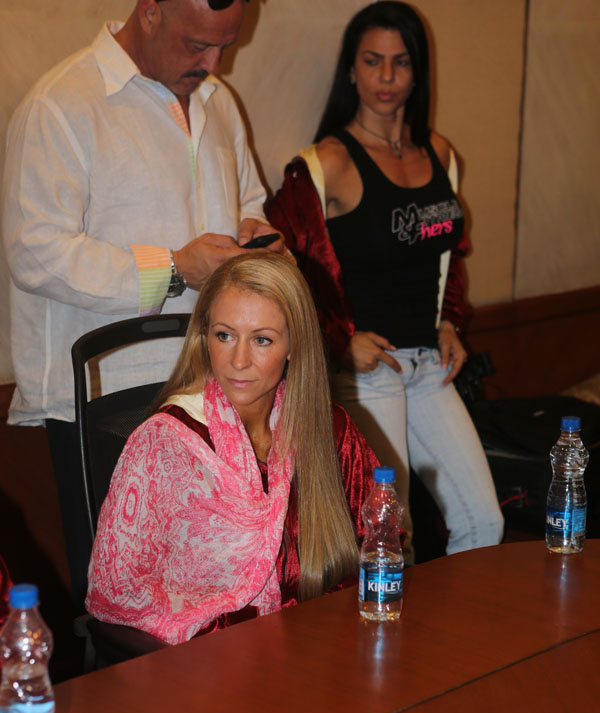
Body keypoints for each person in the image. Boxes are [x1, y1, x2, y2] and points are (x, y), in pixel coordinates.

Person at [2, 0, 283, 606]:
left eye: (225, 46)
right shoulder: (62, 105)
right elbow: (34, 252)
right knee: (127, 602)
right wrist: (174, 269)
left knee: (211, 592)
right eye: (197, 45)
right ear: (150, 12)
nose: (213, 64)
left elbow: (249, 201)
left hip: (211, 383)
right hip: (106, 393)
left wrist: (256, 234)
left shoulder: (218, 101)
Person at [267, 1, 503, 561]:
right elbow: (279, 269)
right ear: (351, 70)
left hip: (429, 367)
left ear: (418, 72)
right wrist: (337, 341)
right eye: (372, 61)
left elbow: (448, 253)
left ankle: (462, 624)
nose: (387, 77)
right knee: (389, 538)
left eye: (401, 62)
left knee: (483, 521)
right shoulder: (325, 164)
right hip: (367, 374)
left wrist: (451, 321)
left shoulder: (439, 153)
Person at [86, 253, 379, 643]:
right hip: (213, 661)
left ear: (294, 345)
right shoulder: (166, 445)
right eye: (224, 335)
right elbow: (118, 590)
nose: (239, 361)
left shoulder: (329, 429)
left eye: (262, 340)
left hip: (327, 643)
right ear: (204, 336)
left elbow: (380, 541)